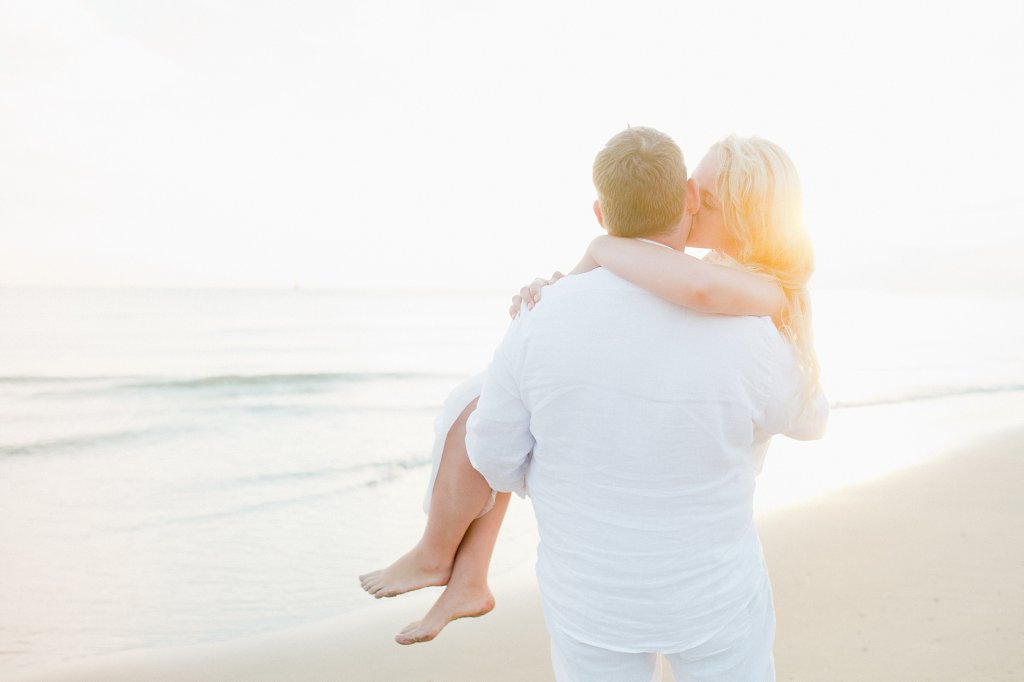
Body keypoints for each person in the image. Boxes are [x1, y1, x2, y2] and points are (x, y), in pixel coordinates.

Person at [359, 128, 827, 671]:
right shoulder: (744, 322)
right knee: (490, 400)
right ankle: (459, 569)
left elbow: (499, 458)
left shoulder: (749, 300)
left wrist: (595, 258)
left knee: (493, 408)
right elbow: (805, 417)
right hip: (710, 591)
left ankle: (450, 561)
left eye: (705, 195)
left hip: (593, 597)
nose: (690, 203)